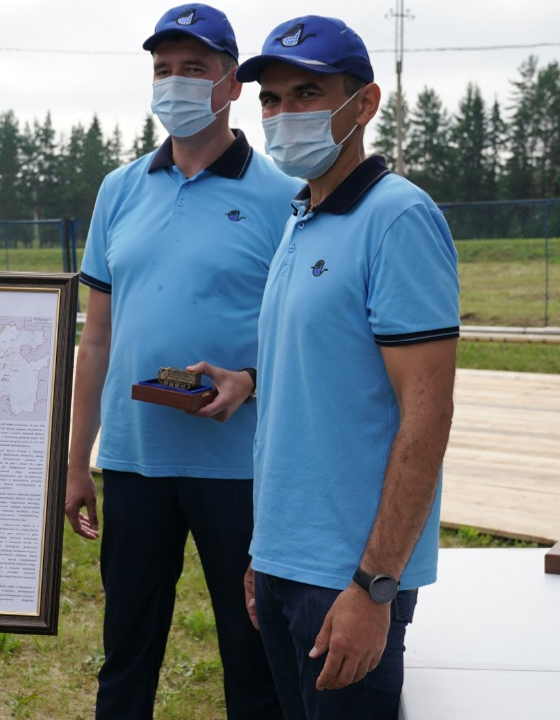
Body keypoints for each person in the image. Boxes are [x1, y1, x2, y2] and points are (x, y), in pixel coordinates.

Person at [194, 15, 460, 720]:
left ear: (364, 103)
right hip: (287, 564)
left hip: (349, 578)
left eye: (306, 94)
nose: (283, 115)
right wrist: (267, 551)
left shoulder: (397, 218)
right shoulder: (300, 217)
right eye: (271, 99)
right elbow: (307, 390)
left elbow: (427, 416)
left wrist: (375, 585)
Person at [64, 4, 301, 719]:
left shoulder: (284, 196)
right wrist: (76, 462)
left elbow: (303, 341)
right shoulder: (119, 190)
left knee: (253, 658)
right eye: (163, 69)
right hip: (135, 461)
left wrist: (250, 382)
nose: (175, 82)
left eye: (193, 68)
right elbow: (97, 338)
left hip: (241, 468)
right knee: (126, 654)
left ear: (231, 85)